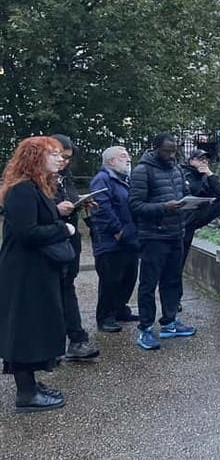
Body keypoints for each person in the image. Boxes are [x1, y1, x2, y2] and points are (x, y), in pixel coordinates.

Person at [0, 137, 72, 412]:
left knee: (34, 326)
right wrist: (64, 229)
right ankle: (26, 394)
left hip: (34, 270)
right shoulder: (22, 190)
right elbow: (26, 234)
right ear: (34, 157)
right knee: (24, 329)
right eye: (52, 154)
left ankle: (30, 384)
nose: (59, 158)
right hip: (23, 273)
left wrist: (55, 213)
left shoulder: (35, 188)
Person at [129, 133, 196, 350]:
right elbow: (135, 205)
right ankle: (145, 328)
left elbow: (185, 193)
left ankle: (169, 322)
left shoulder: (176, 168)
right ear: (155, 148)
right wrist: (163, 207)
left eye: (174, 150)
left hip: (176, 233)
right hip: (153, 236)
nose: (171, 154)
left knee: (172, 281)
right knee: (148, 284)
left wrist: (192, 203)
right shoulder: (143, 170)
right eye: (167, 150)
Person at [51, 134, 100, 361]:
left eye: (68, 158)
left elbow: (67, 200)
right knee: (53, 293)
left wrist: (80, 201)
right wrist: (56, 209)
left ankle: (75, 340)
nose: (64, 162)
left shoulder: (64, 176)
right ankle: (62, 343)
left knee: (67, 288)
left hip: (70, 240)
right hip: (51, 242)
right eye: (60, 156)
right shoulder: (33, 179)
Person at [88, 146, 139, 333]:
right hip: (111, 241)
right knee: (111, 280)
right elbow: (100, 207)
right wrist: (117, 231)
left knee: (128, 277)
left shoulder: (123, 179)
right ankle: (105, 316)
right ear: (111, 161)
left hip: (129, 238)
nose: (128, 159)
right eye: (123, 156)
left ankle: (120, 309)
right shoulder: (102, 180)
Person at [179, 148, 220, 306]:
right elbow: (189, 191)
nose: (204, 162)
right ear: (191, 161)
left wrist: (210, 175)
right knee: (179, 261)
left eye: (206, 159)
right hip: (184, 222)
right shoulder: (184, 173)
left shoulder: (206, 176)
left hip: (198, 215)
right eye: (200, 159)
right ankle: (175, 299)